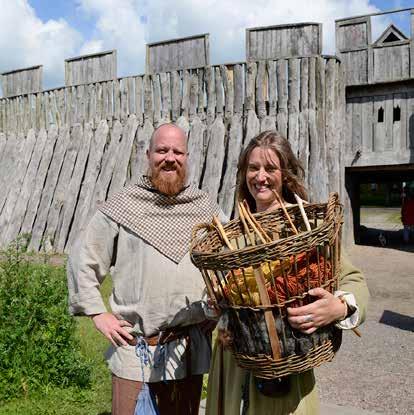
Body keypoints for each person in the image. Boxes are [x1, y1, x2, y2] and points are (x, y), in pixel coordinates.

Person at [205, 130, 369, 415]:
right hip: (232, 370)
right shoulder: (233, 232)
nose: (260, 177)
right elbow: (224, 293)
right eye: (253, 168)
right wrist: (214, 302)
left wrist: (339, 307)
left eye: (270, 168)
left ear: (286, 174)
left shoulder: (307, 226)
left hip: (285, 378)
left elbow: (354, 280)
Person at [67, 123, 223, 415]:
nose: (170, 157)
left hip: (187, 353)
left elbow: (231, 261)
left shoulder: (206, 210)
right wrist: (98, 313)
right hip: (135, 353)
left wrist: (218, 309)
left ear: (187, 158)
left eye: (178, 151)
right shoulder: (124, 206)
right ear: (148, 155)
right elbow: (82, 260)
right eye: (162, 150)